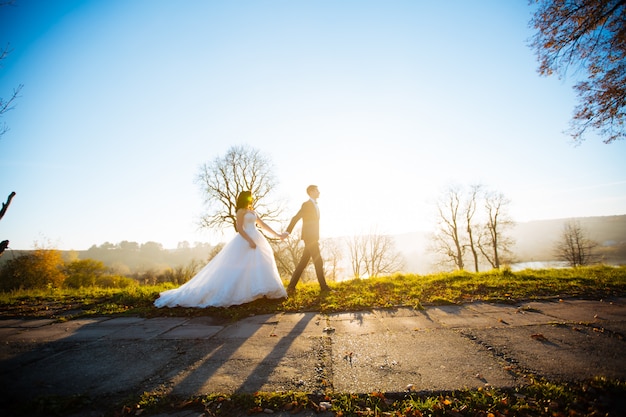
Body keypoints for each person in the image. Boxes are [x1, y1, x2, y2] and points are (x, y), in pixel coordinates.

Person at [154, 191, 288, 308]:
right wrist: (249, 241)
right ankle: (244, 292)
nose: (251, 199)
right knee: (241, 268)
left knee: (261, 264)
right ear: (244, 198)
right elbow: (240, 228)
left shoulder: (252, 211)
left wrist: (278, 235)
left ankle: (262, 291)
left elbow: (263, 225)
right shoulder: (240, 211)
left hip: (258, 238)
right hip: (246, 240)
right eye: (249, 197)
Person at [285, 185, 331, 293]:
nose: (319, 192)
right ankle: (324, 288)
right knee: (318, 261)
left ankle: (291, 287)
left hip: (313, 237)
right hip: (309, 238)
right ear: (311, 192)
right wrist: (288, 231)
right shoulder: (306, 205)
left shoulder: (315, 205)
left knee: (303, 262)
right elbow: (296, 217)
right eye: (317, 190)